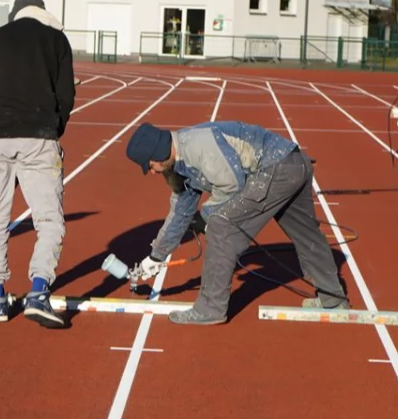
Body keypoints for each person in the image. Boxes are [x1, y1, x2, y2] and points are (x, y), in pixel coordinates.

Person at [123, 121, 349, 325]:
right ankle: (333, 299)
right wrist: (156, 256)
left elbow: (232, 186)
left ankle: (210, 308)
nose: (152, 172)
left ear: (159, 153)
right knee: (306, 233)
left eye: (150, 165)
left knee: (222, 227)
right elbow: (181, 211)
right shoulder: (176, 166)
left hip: (277, 168)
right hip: (294, 163)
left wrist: (205, 217)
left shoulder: (197, 146)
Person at [0, 0, 76, 328]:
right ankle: (39, 290)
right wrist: (52, 128)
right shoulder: (56, 40)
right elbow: (66, 95)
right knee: (49, 221)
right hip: (39, 137)